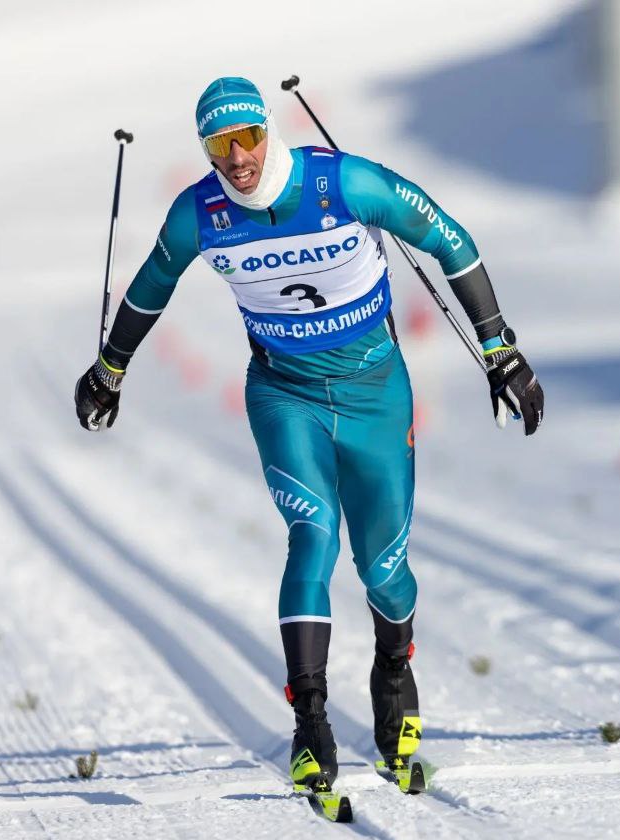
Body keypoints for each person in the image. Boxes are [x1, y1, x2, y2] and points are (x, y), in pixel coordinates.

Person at [75, 77, 544, 791]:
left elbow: (450, 238)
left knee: (384, 568)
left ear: (270, 130)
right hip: (283, 392)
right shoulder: (200, 212)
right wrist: (110, 367)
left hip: (375, 395)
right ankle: (311, 719)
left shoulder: (342, 180)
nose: (237, 158)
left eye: (248, 138)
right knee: (313, 531)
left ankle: (393, 662)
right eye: (219, 145)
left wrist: (498, 350)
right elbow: (151, 285)